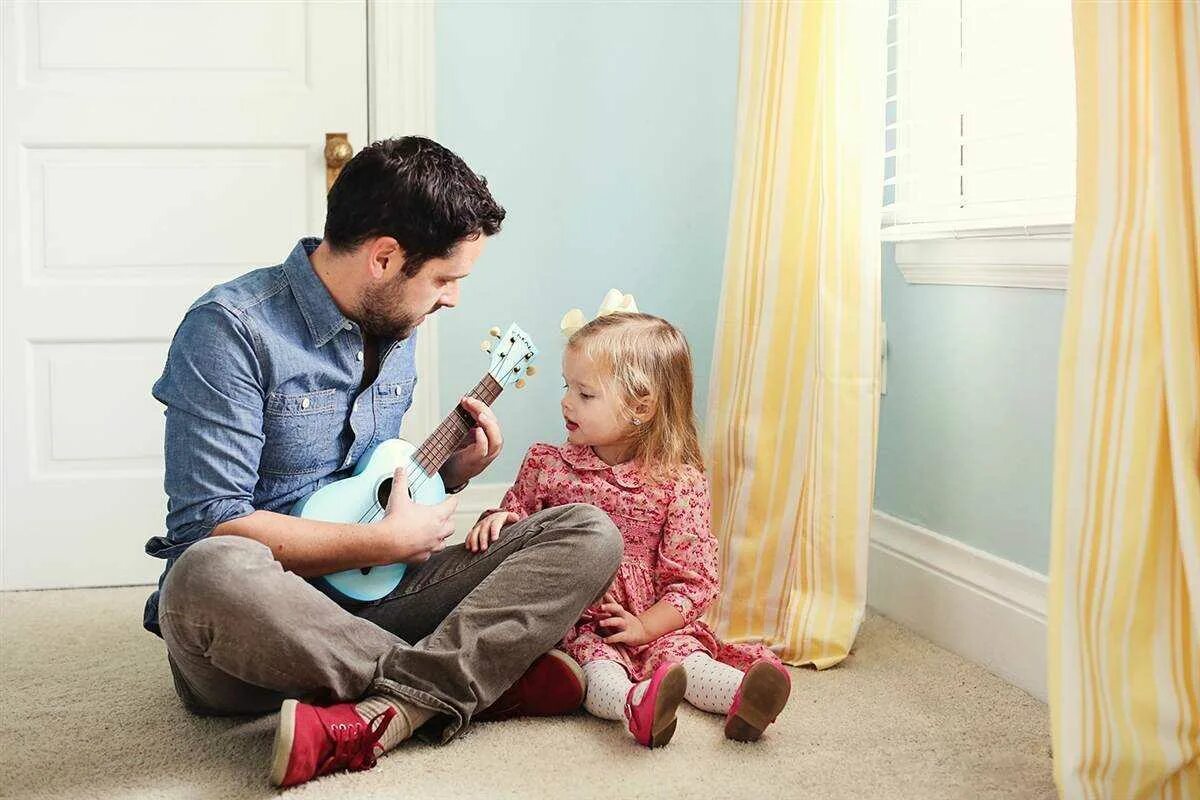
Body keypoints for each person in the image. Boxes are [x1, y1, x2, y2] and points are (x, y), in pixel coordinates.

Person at [142, 136, 623, 788]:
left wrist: (450, 474)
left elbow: (367, 479)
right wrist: (381, 538)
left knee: (588, 531)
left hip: (374, 598)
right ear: (385, 258)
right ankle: (476, 681)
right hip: (257, 625)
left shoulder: (397, 328)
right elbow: (210, 525)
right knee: (206, 573)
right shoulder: (230, 330)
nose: (452, 298)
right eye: (445, 279)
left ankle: (396, 708)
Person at [467, 310, 791, 749]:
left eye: (585, 394)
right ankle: (635, 705)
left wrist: (645, 627)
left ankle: (743, 699)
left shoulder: (679, 483)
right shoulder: (548, 464)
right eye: (567, 387)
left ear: (641, 406)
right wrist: (497, 522)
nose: (566, 402)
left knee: (688, 660)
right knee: (598, 671)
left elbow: (693, 582)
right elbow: (516, 522)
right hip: (582, 622)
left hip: (657, 621)